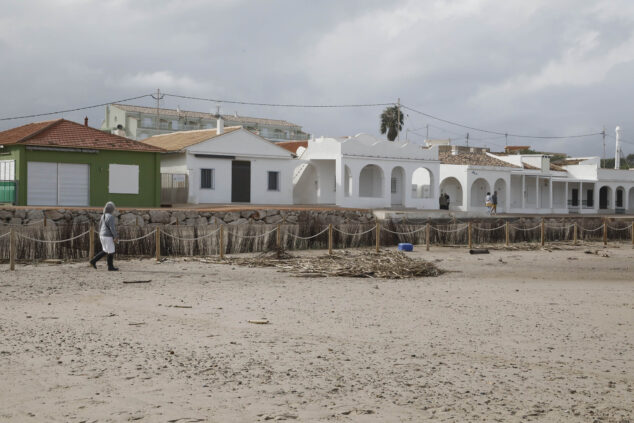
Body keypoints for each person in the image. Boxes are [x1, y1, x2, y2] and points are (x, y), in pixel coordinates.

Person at [89, 201, 119, 271]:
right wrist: (115, 236)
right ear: (112, 209)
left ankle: (93, 261)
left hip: (102, 235)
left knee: (105, 250)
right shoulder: (111, 217)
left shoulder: (103, 216)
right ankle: (110, 267)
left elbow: (100, 226)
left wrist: (100, 234)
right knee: (111, 251)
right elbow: (112, 228)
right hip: (108, 236)